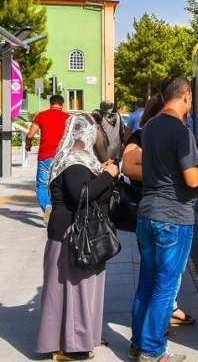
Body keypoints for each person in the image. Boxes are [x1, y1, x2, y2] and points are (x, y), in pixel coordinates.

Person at [129, 76, 198, 362]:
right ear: (186, 97)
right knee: (165, 286)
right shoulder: (181, 131)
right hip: (173, 217)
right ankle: (153, 351)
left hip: (147, 214)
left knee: (146, 282)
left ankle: (137, 344)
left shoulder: (150, 126)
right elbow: (191, 178)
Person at [36, 114, 119, 361]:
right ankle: (74, 346)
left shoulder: (70, 159)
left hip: (65, 233)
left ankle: (70, 341)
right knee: (77, 293)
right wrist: (108, 175)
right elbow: (80, 194)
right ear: (86, 134)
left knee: (64, 294)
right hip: (73, 236)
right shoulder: (75, 161)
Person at [121, 94, 196, 331]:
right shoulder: (146, 135)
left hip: (153, 212)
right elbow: (129, 166)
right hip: (164, 213)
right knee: (162, 283)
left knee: (153, 281)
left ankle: (141, 340)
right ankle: (152, 346)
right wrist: (165, 174)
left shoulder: (152, 133)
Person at [26, 94, 69, 226]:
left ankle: (47, 207)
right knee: (62, 185)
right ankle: (61, 213)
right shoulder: (68, 117)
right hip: (62, 158)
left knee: (42, 185)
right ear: (62, 105)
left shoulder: (41, 115)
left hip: (45, 156)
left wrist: (28, 145)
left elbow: (30, 135)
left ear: (50, 103)